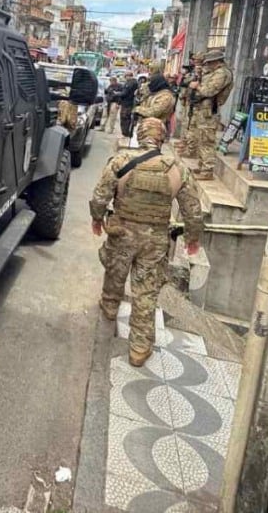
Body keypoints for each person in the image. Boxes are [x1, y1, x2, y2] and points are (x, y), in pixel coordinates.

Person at [89, 118, 203, 366]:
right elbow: (193, 210)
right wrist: (192, 238)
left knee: (115, 272)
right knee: (146, 291)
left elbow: (100, 197)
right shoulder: (177, 168)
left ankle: (110, 306)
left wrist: (97, 218)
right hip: (155, 240)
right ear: (162, 138)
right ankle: (139, 348)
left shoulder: (120, 161)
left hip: (121, 233)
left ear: (139, 136)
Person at [187, 48, 233, 180]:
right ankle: (202, 166)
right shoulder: (214, 72)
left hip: (209, 112)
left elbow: (209, 91)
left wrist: (197, 86)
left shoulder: (222, 73)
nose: (208, 65)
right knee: (201, 139)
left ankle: (207, 171)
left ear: (217, 61)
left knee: (207, 141)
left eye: (210, 63)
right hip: (203, 110)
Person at [176, 51, 206, 158]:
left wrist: (196, 75)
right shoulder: (193, 71)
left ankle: (191, 150)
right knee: (186, 125)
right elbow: (185, 83)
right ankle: (185, 144)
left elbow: (199, 85)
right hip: (190, 100)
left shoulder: (203, 71)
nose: (194, 62)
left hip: (198, 104)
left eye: (196, 60)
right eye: (194, 60)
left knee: (192, 128)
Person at [133, 63, 176, 134]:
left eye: (151, 82)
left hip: (156, 130)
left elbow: (153, 112)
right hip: (147, 128)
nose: (149, 85)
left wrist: (138, 109)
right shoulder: (155, 93)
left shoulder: (165, 96)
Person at [117, 72, 138, 138]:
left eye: (125, 76)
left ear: (128, 76)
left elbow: (125, 93)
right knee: (127, 118)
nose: (125, 78)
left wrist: (117, 94)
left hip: (127, 103)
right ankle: (126, 133)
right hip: (129, 103)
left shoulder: (130, 83)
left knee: (125, 118)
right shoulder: (135, 82)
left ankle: (125, 133)